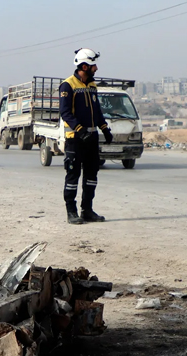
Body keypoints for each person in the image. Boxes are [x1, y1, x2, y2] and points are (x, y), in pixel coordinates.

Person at [59, 48, 114, 225]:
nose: (96, 68)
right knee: (73, 175)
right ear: (84, 66)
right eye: (93, 65)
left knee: (92, 175)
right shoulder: (68, 86)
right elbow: (65, 113)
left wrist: (104, 128)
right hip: (75, 139)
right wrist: (80, 130)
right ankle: (71, 212)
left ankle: (87, 210)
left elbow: (96, 111)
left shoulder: (92, 86)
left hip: (92, 138)